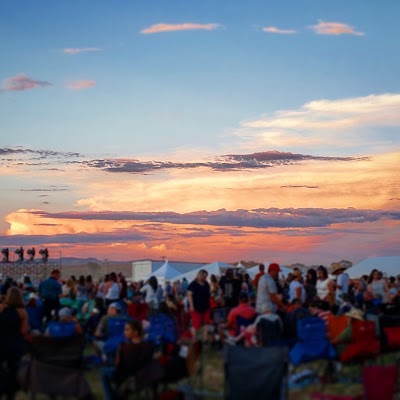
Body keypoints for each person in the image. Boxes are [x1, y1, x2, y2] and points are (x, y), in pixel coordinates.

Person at [100, 320, 154, 400]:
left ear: (135, 332)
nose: (125, 332)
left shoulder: (124, 347)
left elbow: (119, 366)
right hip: (144, 377)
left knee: (103, 372)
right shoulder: (149, 345)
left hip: (127, 377)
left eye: (127, 329)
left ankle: (110, 398)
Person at [0, 287, 29, 399]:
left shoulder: (1, 308)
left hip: (1, 343)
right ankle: (10, 392)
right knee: (13, 369)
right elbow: (24, 331)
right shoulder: (22, 312)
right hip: (14, 345)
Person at [187, 269, 211, 340]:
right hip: (196, 308)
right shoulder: (193, 284)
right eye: (204, 276)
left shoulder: (206, 283)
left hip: (206, 306)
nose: (205, 277)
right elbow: (189, 295)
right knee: (196, 325)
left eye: (206, 276)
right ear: (200, 275)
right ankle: (195, 340)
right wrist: (191, 306)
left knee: (207, 323)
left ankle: (205, 339)